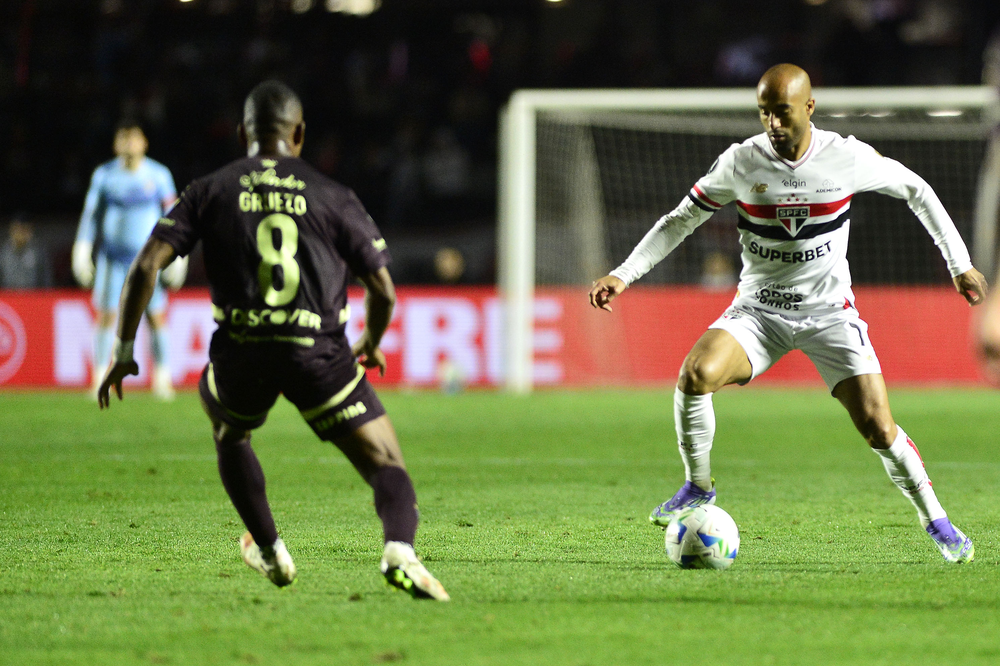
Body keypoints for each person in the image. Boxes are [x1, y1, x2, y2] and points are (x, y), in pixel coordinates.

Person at [589, 63, 988, 564]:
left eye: (782, 112)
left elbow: (918, 191)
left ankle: (937, 519)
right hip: (758, 312)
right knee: (695, 375)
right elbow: (680, 220)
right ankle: (698, 485)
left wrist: (959, 263)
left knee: (880, 429)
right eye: (764, 113)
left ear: (809, 108)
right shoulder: (740, 162)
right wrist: (623, 274)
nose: (773, 124)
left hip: (830, 315)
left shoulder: (845, 157)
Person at [97, 81, 449, 600]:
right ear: (299, 133)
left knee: (230, 432)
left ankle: (268, 548)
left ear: (243, 133)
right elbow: (383, 288)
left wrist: (125, 352)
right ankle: (400, 549)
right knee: (385, 464)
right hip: (319, 352)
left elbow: (145, 265)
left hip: (243, 350)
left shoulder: (209, 188)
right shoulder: (333, 194)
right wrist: (371, 340)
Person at [73, 120, 186, 399]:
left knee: (155, 316)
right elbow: (91, 214)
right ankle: (99, 375)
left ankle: (162, 377)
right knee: (106, 316)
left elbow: (173, 214)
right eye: (123, 139)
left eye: (133, 139)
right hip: (112, 259)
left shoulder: (158, 175)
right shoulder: (104, 175)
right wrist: (82, 246)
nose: (128, 144)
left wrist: (178, 252)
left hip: (147, 259)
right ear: (115, 145)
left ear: (144, 143)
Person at [0, 215, 52, 289]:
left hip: (33, 297)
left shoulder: (38, 252)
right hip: (8, 297)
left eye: (24, 229)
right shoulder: (3, 253)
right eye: (17, 228)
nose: (20, 233)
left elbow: (46, 280)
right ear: (11, 229)